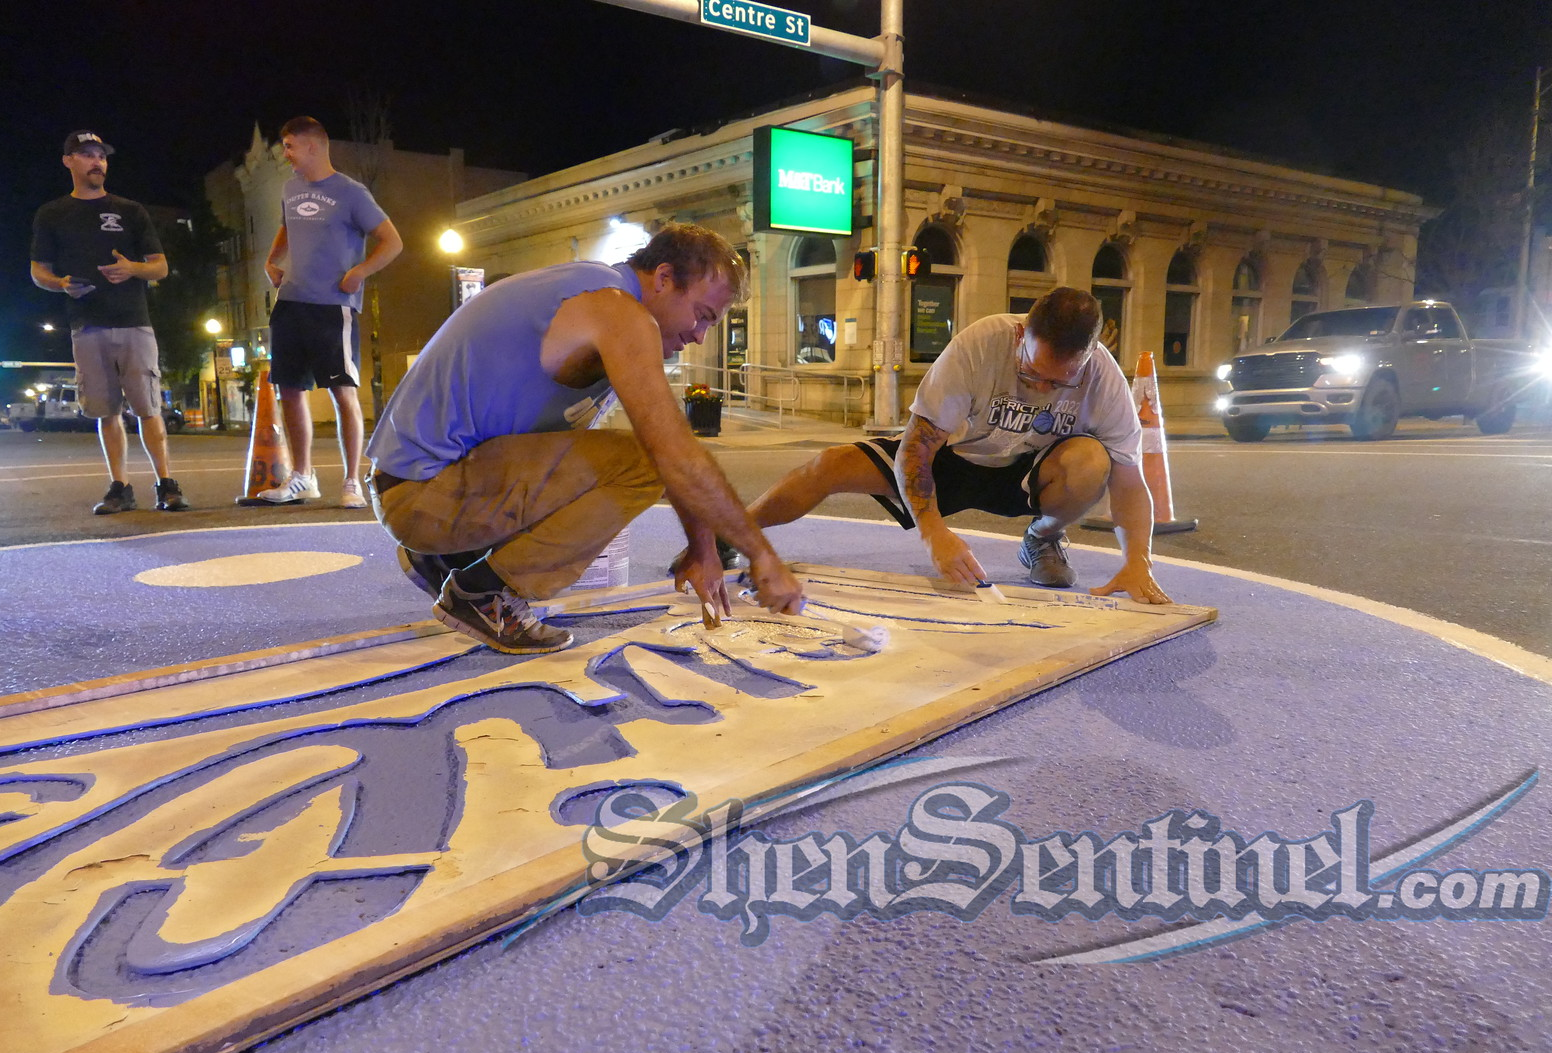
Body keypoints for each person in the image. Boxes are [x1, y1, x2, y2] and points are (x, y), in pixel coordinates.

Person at [366, 223, 804, 654]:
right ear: (664, 278)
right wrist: (762, 556)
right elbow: (671, 452)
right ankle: (480, 592)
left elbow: (664, 444)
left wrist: (702, 547)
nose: (698, 335)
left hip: (416, 483)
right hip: (420, 496)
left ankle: (450, 557)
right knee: (638, 465)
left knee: (611, 453)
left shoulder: (592, 292)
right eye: (702, 315)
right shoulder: (615, 309)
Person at [746, 286, 1171, 604]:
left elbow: (1129, 480)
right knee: (828, 465)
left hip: (1028, 470)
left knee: (1092, 461)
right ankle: (733, 533)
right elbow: (917, 449)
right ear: (1020, 334)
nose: (1042, 389)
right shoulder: (980, 344)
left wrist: (1138, 562)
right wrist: (933, 534)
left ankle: (1042, 538)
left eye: (1060, 382)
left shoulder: (1103, 377)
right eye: (1031, 373)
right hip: (953, 457)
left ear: (1090, 355)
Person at [30, 131, 188, 515]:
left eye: (101, 155)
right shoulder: (51, 213)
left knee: (149, 407)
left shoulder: (130, 210)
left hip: (134, 322)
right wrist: (61, 284)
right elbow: (38, 271)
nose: (97, 161)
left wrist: (132, 268)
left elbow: (160, 267)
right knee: (106, 411)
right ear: (68, 161)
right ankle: (120, 487)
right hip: (87, 325)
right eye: (87, 154)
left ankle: (166, 484)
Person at [258, 116, 403, 508]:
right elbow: (287, 226)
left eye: (290, 146)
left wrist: (361, 272)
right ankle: (302, 477)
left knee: (343, 392)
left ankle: (352, 481)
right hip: (291, 303)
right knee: (290, 390)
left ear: (312, 146)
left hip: (333, 306)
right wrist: (272, 261)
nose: (286, 155)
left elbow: (392, 241)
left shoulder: (351, 192)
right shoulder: (290, 188)